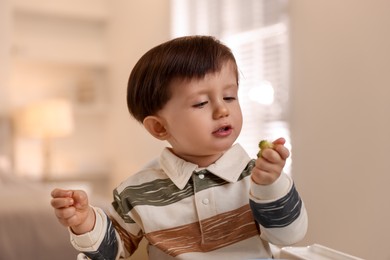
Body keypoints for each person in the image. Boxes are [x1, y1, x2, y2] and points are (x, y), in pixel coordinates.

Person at [51, 35, 308, 260]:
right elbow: (112, 250)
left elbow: (289, 236)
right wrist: (85, 222)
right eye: (200, 103)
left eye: (229, 96)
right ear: (160, 128)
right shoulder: (137, 191)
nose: (222, 109)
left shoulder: (255, 178)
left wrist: (269, 186)